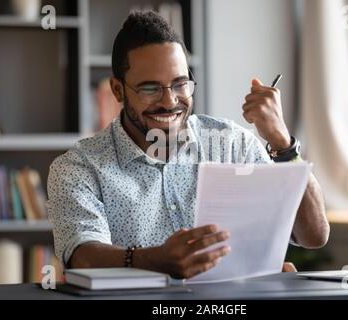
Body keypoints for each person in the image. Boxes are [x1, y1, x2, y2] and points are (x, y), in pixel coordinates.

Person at [47, 11, 329, 279]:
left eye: (180, 84)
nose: (170, 101)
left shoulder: (231, 145)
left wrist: (283, 142)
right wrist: (156, 260)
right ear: (118, 89)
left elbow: (313, 235)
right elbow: (82, 256)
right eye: (150, 88)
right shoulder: (78, 167)